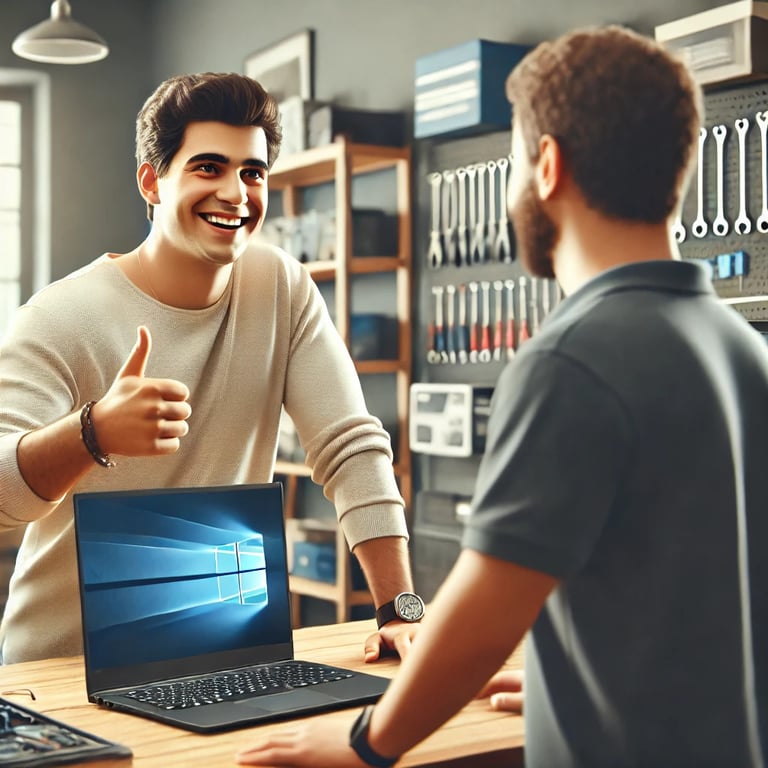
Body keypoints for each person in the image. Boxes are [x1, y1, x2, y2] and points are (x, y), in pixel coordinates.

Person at [236, 24, 768, 768]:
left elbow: (485, 610)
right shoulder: (744, 349)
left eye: (515, 159)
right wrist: (575, 681)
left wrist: (365, 741)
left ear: (546, 165)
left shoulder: (574, 359)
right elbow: (690, 591)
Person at [0, 72, 422, 665]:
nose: (236, 193)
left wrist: (397, 610)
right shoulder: (58, 316)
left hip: (227, 657)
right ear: (152, 180)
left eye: (252, 172)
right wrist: (91, 432)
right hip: (65, 671)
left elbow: (350, 448)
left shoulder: (282, 286)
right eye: (208, 168)